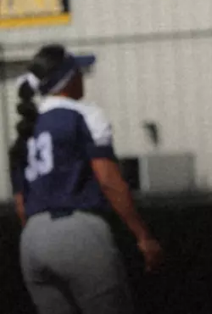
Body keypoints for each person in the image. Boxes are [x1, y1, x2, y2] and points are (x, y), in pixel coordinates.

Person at [8, 44, 164, 314]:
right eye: (77, 72)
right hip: (79, 233)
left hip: (32, 241)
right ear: (68, 78)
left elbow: (21, 205)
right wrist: (142, 235)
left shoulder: (26, 129)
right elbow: (108, 180)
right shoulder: (83, 114)